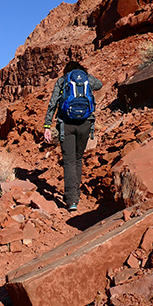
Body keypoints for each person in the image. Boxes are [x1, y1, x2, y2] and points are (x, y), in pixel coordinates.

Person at [43, 61, 103, 211]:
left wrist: (47, 126)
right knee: (78, 159)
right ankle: (75, 193)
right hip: (85, 124)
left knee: (69, 161)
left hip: (66, 125)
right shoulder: (86, 78)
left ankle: (71, 200)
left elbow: (53, 103)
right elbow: (100, 85)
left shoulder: (62, 80)